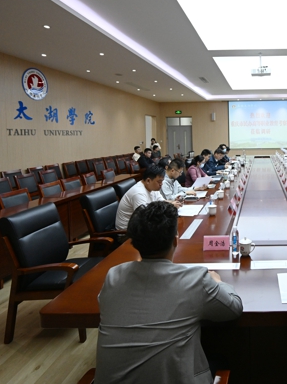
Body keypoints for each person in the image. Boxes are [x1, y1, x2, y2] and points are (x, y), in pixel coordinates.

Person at [96, 202, 243, 384]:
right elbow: (234, 307)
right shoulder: (195, 280)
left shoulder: (113, 276)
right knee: (220, 359)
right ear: (175, 240)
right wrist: (218, 281)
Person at [115, 164, 180, 230]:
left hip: (141, 225)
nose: (161, 184)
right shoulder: (138, 193)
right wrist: (170, 206)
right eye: (159, 181)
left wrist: (173, 203)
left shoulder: (152, 187)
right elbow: (144, 218)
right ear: (148, 181)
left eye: (162, 181)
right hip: (127, 231)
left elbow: (161, 201)